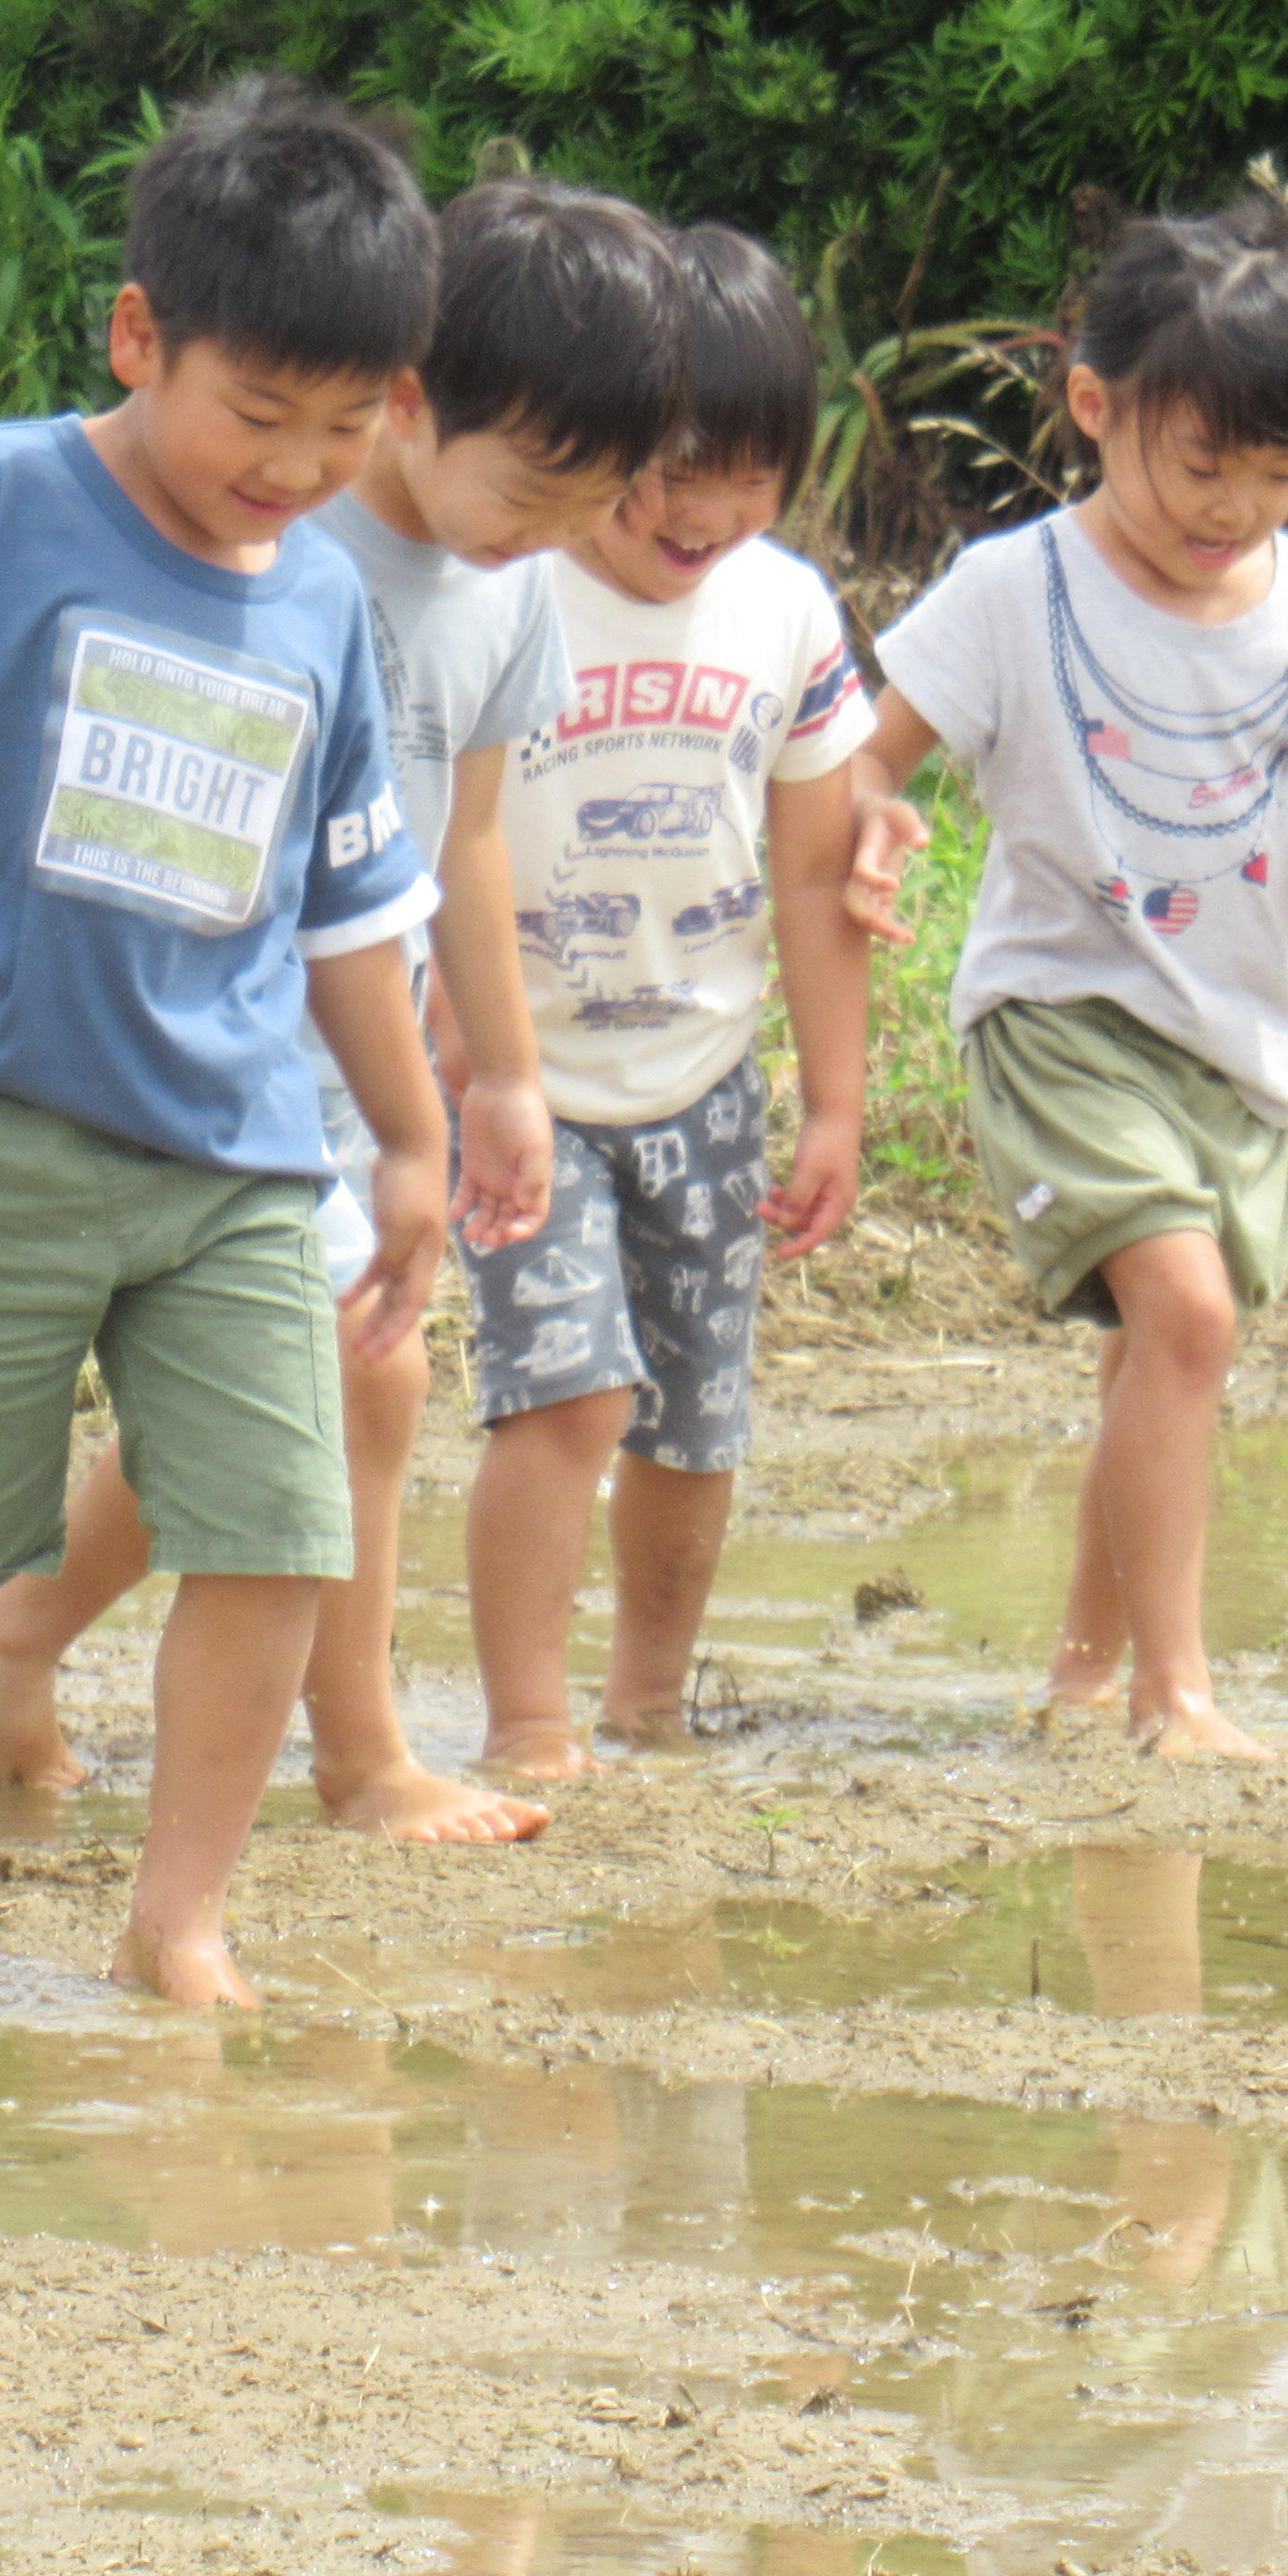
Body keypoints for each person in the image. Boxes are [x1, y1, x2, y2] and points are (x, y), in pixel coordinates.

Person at [0, 76, 449, 2009]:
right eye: (258, 415)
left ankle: (177, 1926)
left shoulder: (320, 603)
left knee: (281, 1536)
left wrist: (412, 1137)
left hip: (232, 1157)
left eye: (345, 425)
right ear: (141, 337)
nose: (296, 468)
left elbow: (353, 908)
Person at [0, 170, 688, 1846]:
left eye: (581, 501)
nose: (540, 529)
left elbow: (472, 839)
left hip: (364, 1068)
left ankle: (21, 1634)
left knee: (298, 1394)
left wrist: (496, 1072)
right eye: (523, 482)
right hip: (207, 1038)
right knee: (350, 1387)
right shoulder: (271, 534)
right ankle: (356, 1756)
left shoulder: (509, 595)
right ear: (412, 396)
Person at [841, 186, 1288, 1758]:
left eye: (1274, 471)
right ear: (1091, 407)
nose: (1231, 505)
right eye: (1197, 463)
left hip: (1236, 1049)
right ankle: (1176, 1693)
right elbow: (861, 765)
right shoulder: (1010, 590)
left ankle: (1081, 1677)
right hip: (1058, 1018)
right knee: (1178, 1315)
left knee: (1152, 1357)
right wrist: (873, 826)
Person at [460, 223, 875, 1770]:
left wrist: (833, 1098)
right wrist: (471, 1045)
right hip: (525, 1077)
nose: (701, 511)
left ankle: (647, 1696)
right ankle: (525, 1719)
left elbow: (821, 868)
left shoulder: (784, 613)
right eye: (667, 467)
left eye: (747, 470)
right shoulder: (503, 594)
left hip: (704, 1074)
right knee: (565, 1395)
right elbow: (457, 834)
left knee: (691, 1421)